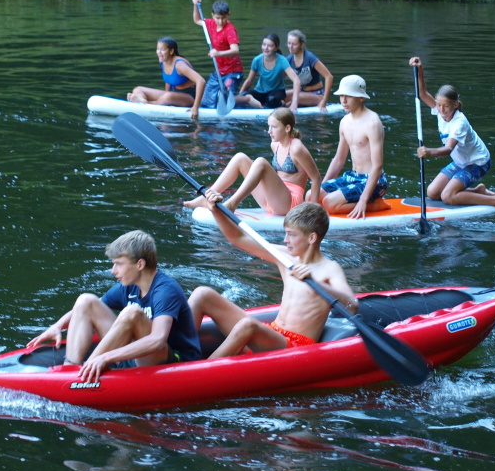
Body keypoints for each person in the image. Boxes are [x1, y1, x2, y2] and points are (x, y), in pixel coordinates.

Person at [189, 200, 358, 359]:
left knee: (248, 325)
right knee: (202, 294)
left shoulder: (329, 268)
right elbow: (238, 238)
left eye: (291, 235)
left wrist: (317, 284)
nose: (285, 240)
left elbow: (352, 306)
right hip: (274, 334)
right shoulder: (284, 257)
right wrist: (216, 211)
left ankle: (198, 374)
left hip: (295, 347)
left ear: (311, 238)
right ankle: (178, 354)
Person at [26, 230, 201, 382]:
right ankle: (69, 369)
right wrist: (58, 326)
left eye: (119, 264)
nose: (113, 270)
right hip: (134, 355)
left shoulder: (165, 290)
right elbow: (87, 309)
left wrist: (105, 357)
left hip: (171, 362)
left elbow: (157, 339)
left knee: (132, 313)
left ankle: (84, 373)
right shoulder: (129, 286)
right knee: (86, 300)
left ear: (140, 264)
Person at [410, 56, 495, 212]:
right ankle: (478, 191)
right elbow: (422, 93)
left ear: (455, 105)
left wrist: (429, 152)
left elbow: (448, 150)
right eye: (438, 105)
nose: (441, 110)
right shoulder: (440, 112)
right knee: (433, 193)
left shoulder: (459, 123)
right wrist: (420, 70)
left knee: (448, 196)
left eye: (446, 106)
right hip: (461, 162)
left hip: (478, 162)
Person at [183, 107, 321, 215]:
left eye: (274, 127)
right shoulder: (275, 145)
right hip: (272, 200)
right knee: (240, 158)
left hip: (290, 204)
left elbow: (316, 178)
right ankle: (206, 197)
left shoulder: (297, 148)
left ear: (287, 128)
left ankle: (232, 204)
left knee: (260, 162)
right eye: (268, 126)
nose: (269, 131)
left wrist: (313, 213)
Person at [317, 75, 390, 219]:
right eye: (341, 96)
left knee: (329, 203)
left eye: (349, 96)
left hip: (374, 180)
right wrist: (322, 187)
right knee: (312, 196)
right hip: (352, 176)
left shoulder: (372, 123)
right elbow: (339, 159)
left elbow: (378, 166)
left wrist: (363, 200)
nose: (343, 101)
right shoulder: (344, 122)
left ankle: (375, 204)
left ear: (361, 97)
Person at [127, 37, 206, 120]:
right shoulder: (163, 62)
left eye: (162, 49)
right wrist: (167, 99)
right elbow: (168, 81)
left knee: (168, 96)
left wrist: (196, 107)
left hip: (190, 97)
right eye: (158, 49)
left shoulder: (180, 65)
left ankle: (146, 103)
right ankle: (141, 100)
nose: (159, 52)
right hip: (174, 94)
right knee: (138, 89)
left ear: (171, 51)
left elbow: (201, 81)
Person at [192, 0, 244, 108]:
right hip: (219, 71)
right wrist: (195, 5)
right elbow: (197, 20)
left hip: (233, 72)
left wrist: (218, 53)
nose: (220, 21)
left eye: (223, 18)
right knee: (206, 101)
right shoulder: (211, 24)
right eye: (217, 18)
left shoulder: (230, 29)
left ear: (228, 15)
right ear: (212, 15)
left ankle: (247, 100)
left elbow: (235, 50)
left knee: (224, 99)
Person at [236, 33, 301, 111]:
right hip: (259, 92)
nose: (266, 48)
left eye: (270, 46)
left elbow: (296, 80)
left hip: (276, 92)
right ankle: (259, 103)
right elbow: (249, 81)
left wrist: (294, 104)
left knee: (271, 100)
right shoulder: (257, 60)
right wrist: (239, 98)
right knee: (242, 97)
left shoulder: (282, 60)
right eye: (264, 45)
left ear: (276, 48)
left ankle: (282, 103)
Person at [283, 30, 334, 112]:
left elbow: (329, 77)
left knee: (295, 98)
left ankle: (291, 104)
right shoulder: (288, 59)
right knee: (280, 96)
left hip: (317, 94)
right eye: (289, 43)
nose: (290, 47)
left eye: (294, 44)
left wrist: (324, 101)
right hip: (300, 91)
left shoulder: (310, 58)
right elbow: (279, 80)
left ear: (302, 44)